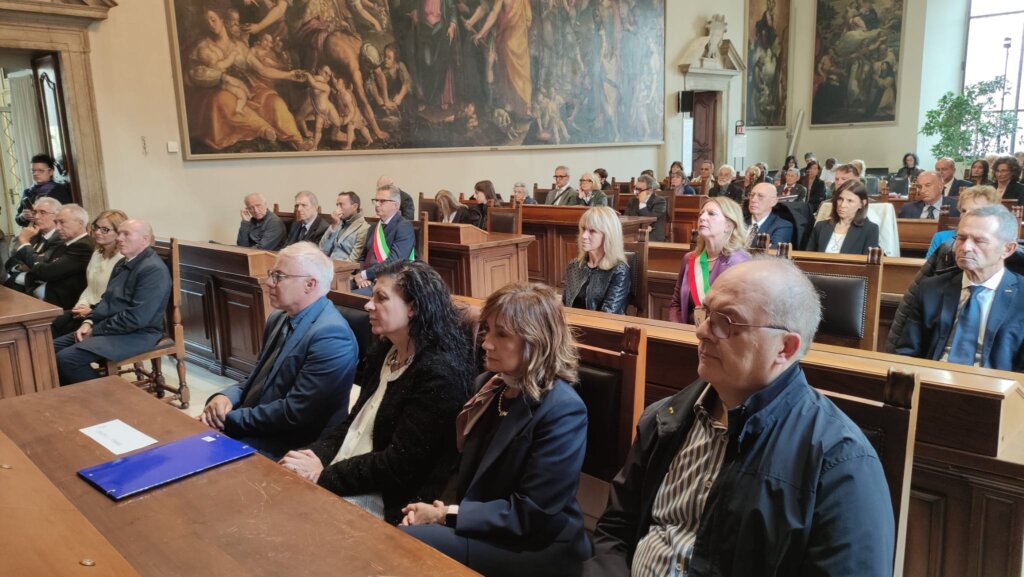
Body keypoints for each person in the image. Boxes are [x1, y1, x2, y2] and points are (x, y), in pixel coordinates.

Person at [585, 258, 895, 576]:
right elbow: (616, 529)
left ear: (786, 348)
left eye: (726, 322)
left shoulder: (842, 462)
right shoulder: (665, 418)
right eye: (705, 313)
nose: (701, 331)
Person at [400, 282, 591, 577]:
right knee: (405, 529)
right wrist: (438, 509)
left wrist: (444, 515)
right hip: (486, 523)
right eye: (487, 330)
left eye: (502, 334)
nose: (486, 343)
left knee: (409, 543)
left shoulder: (563, 409)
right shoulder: (489, 387)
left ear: (536, 341)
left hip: (536, 544)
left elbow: (532, 513)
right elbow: (463, 470)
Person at [279, 259, 474, 523]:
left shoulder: (439, 373)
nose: (368, 305)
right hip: (348, 472)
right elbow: (353, 425)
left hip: (387, 498)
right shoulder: (385, 350)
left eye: (381, 298)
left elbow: (398, 465)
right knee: (280, 480)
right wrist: (316, 456)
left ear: (413, 308)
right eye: (372, 296)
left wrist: (322, 475)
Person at [200, 242, 358, 458]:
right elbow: (257, 379)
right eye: (271, 274)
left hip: (291, 444)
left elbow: (295, 413)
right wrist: (226, 397)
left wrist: (228, 419)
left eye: (279, 276)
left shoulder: (332, 336)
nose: (268, 283)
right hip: (260, 425)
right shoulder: (279, 318)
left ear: (310, 284)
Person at [894, 205, 1024, 371]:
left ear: (1007, 249)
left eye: (979, 241)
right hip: (932, 378)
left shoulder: (1021, 296)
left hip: (997, 383)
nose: (965, 247)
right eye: (961, 238)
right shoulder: (931, 289)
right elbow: (906, 352)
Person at [53, 219, 171, 385]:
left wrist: (95, 330)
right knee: (50, 348)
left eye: (126, 234)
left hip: (138, 333)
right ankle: (77, 396)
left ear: (144, 239)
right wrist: (88, 321)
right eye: (119, 233)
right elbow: (106, 300)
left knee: (67, 359)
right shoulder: (124, 262)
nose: (119, 238)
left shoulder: (153, 270)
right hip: (113, 327)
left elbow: (137, 318)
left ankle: (109, 397)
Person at [669, 197, 750, 324]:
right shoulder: (689, 259)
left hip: (721, 333)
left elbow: (740, 313)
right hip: (687, 331)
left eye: (711, 214)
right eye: (701, 214)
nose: (702, 217)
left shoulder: (740, 263)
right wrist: (677, 329)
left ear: (728, 225)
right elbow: (676, 303)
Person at [52, 210, 127, 338]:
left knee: (55, 334)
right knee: (49, 324)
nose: (97, 232)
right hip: (86, 309)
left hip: (103, 315)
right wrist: (81, 305)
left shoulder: (123, 258)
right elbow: (90, 288)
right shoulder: (97, 253)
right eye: (96, 227)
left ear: (118, 232)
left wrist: (91, 312)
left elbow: (115, 299)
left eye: (105, 229)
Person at [22, 204, 95, 310]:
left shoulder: (83, 246)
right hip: (47, 296)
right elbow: (45, 267)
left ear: (80, 223)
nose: (57, 228)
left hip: (66, 305)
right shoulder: (64, 244)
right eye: (56, 223)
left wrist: (24, 242)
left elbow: (46, 272)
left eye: (62, 222)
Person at [562, 206, 631, 315]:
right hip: (572, 323)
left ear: (608, 235)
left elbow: (608, 314)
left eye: (592, 231)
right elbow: (565, 304)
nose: (584, 235)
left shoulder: (619, 270)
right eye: (583, 229)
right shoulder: (574, 266)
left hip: (602, 325)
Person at [354, 183, 415, 293]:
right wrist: (360, 275)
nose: (377, 204)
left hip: (389, 282)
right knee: (334, 290)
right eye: (376, 200)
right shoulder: (373, 227)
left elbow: (395, 262)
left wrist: (365, 274)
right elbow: (362, 257)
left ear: (396, 205)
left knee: (347, 298)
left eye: (382, 201)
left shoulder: (403, 227)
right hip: (365, 279)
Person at [4, 197, 63, 293]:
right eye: (35, 212)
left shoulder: (61, 238)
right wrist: (18, 267)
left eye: (43, 212)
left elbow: (41, 269)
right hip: (20, 281)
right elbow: (11, 262)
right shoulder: (34, 234)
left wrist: (24, 240)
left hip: (45, 288)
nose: (36, 217)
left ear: (57, 216)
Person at [806, 180, 880, 254]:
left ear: (862, 204)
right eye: (840, 199)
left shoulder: (870, 229)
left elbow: (869, 260)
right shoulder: (820, 226)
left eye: (850, 201)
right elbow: (808, 256)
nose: (842, 205)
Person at [926, 185, 1000, 257]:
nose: (966, 216)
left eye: (974, 211)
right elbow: (928, 264)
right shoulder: (941, 237)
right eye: (964, 211)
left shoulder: (997, 241)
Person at [15, 153, 72, 227]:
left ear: (51, 172)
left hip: (53, 231)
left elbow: (66, 216)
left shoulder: (58, 190)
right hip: (31, 231)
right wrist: (23, 217)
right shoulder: (28, 192)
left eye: (41, 170)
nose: (35, 174)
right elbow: (18, 218)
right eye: (33, 171)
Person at [319, 191, 370, 262]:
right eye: (337, 205)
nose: (337, 209)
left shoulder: (363, 228)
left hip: (343, 267)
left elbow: (352, 261)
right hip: (326, 263)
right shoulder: (338, 222)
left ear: (354, 207)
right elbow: (322, 249)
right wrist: (334, 226)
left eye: (341, 205)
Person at [746, 182, 793, 247]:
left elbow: (773, 251)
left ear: (773, 202)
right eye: (751, 195)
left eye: (760, 196)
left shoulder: (783, 226)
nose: (753, 200)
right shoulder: (739, 222)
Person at [625, 174, 667, 242]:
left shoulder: (660, 201)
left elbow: (649, 220)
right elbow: (627, 218)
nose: (636, 192)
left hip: (652, 235)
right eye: (635, 189)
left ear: (650, 190)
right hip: (633, 234)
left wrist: (642, 204)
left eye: (640, 190)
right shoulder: (632, 201)